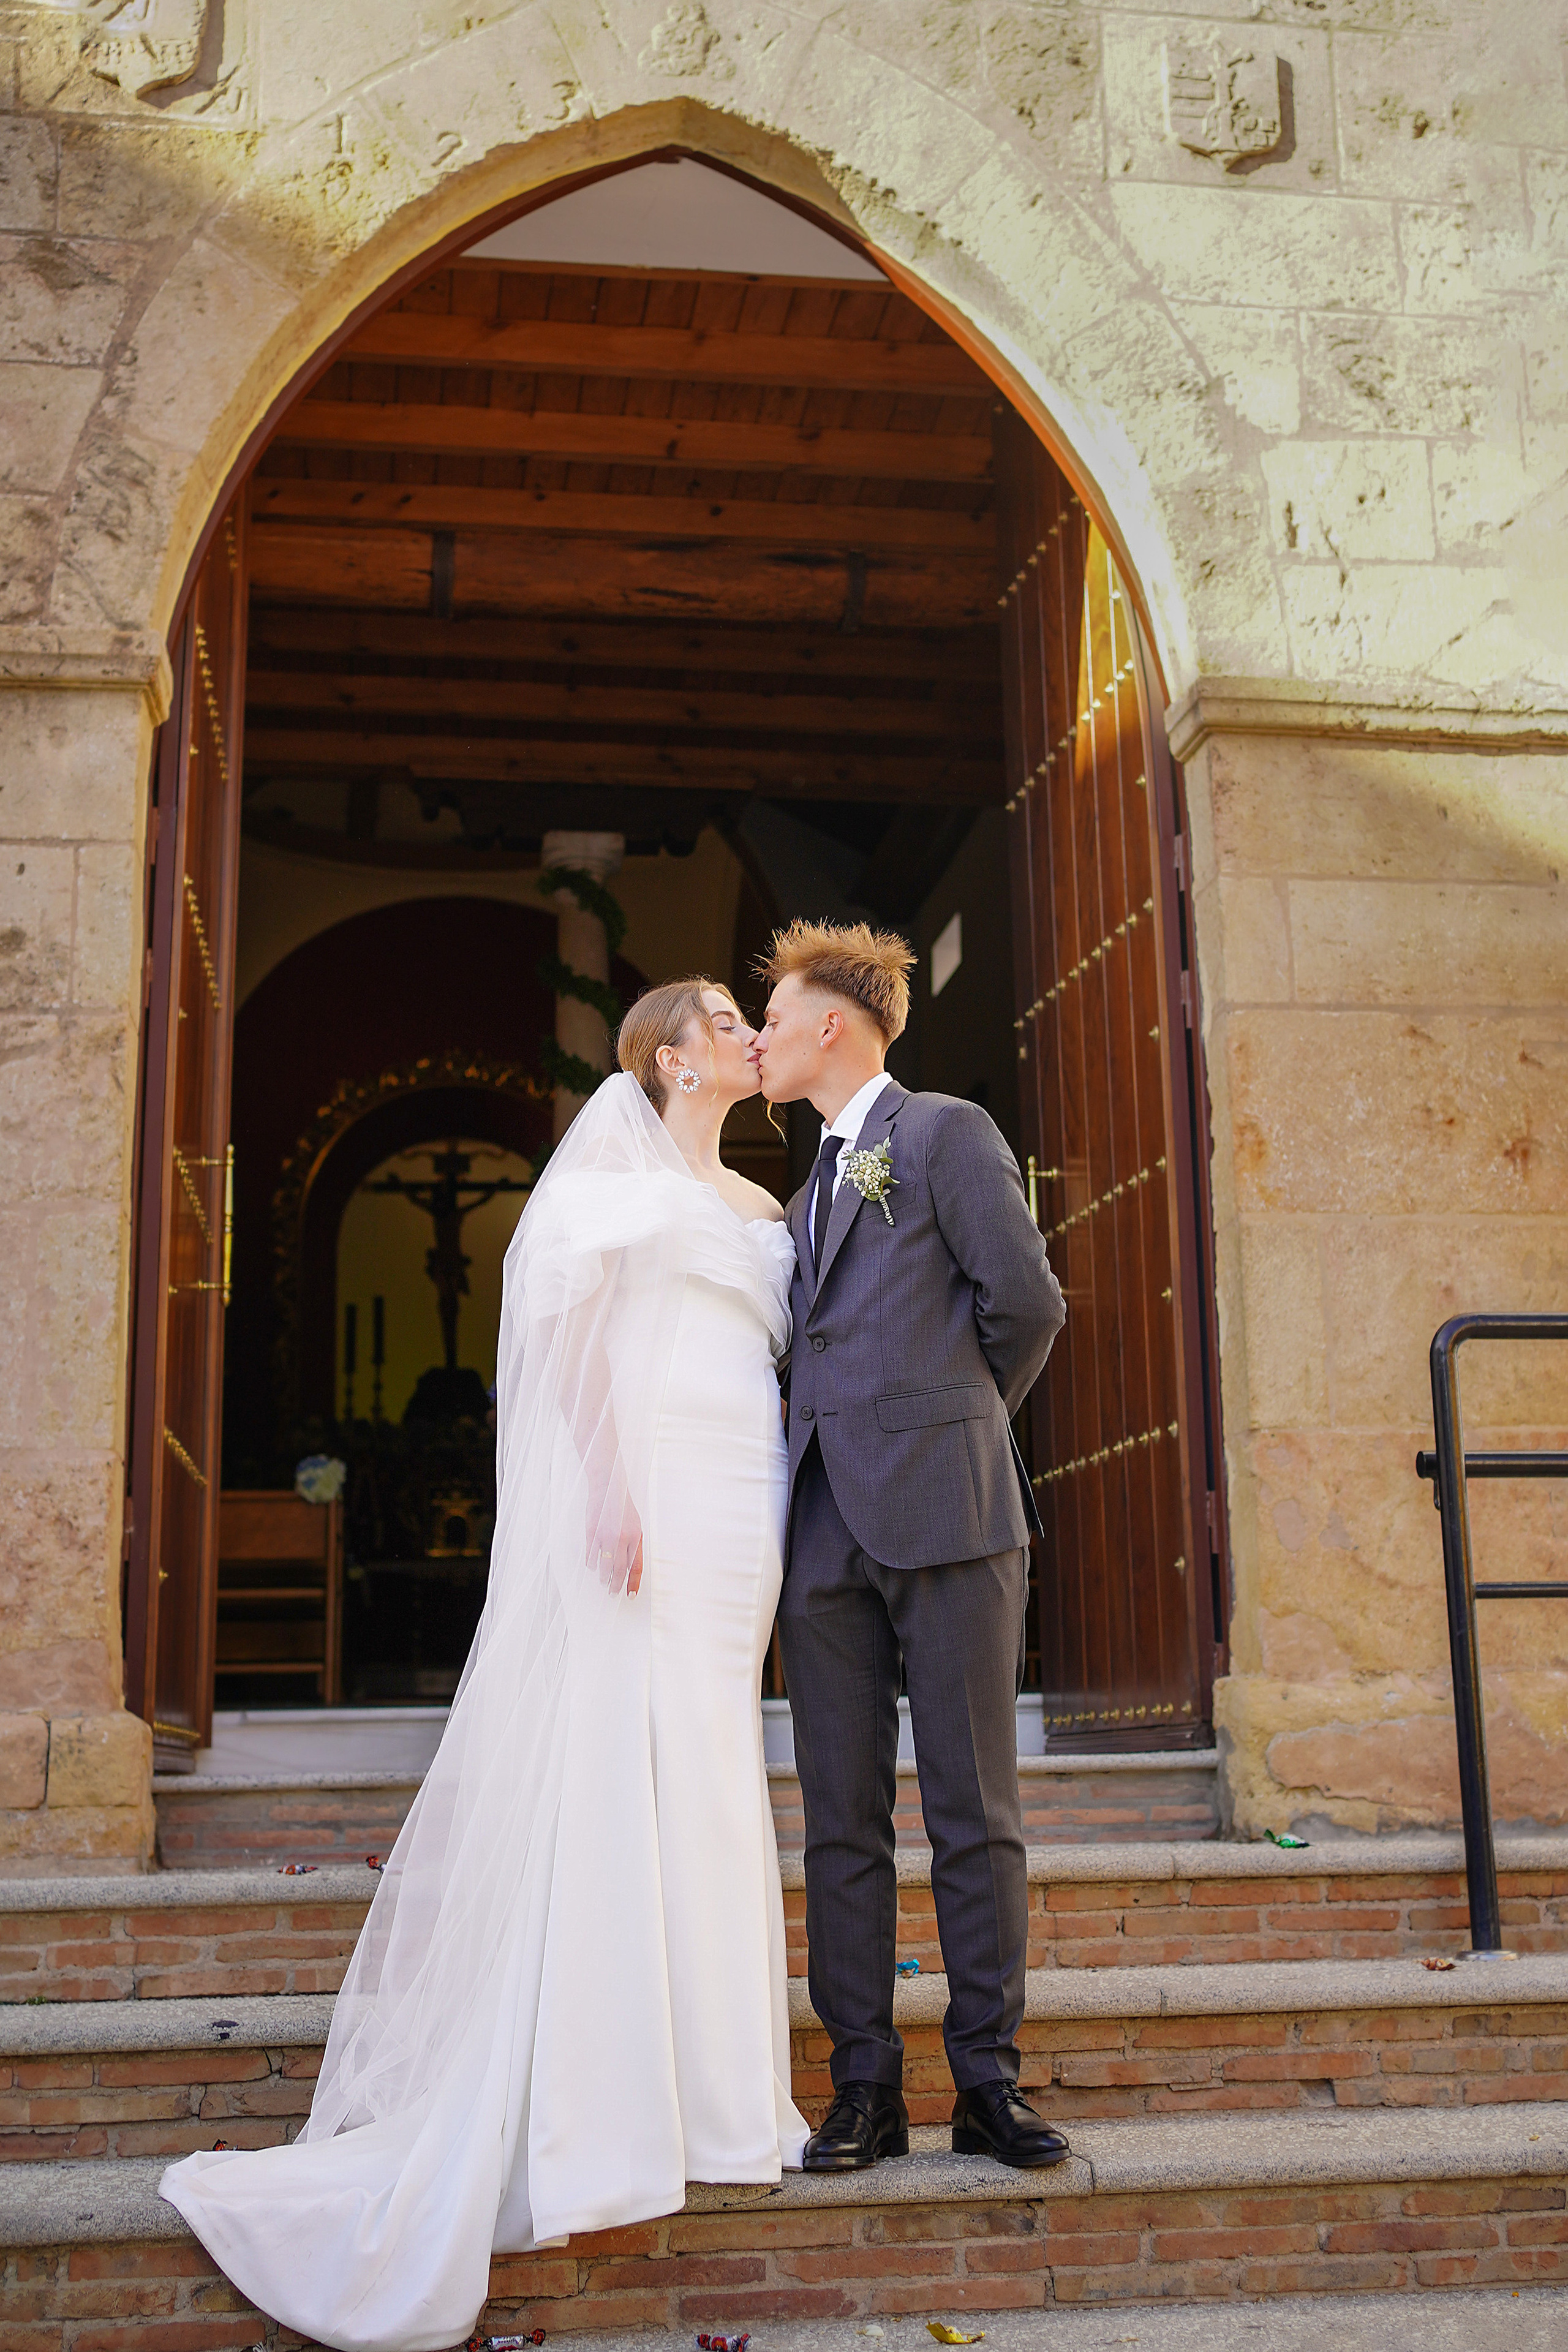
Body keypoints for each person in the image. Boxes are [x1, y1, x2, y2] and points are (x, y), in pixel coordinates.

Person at [161, 981, 809, 2352]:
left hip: (742, 1501)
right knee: (626, 1766)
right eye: (730, 1022)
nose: (756, 1036)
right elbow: (569, 1350)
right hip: (652, 1493)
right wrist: (610, 1492)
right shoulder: (606, 1189)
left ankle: (719, 2093)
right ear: (672, 1056)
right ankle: (606, 2105)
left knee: (706, 1763)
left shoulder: (765, 1209)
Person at [755, 919, 1068, 2173]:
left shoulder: (939, 1131)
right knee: (838, 1819)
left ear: (831, 1023)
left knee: (971, 1808)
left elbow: (1026, 1304)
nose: (759, 1039)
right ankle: (863, 2090)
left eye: (770, 1019)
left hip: (948, 1514)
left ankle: (986, 2084)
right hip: (820, 1527)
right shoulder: (800, 1189)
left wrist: (956, 1427)